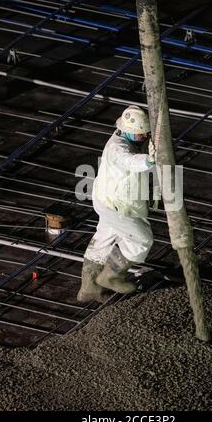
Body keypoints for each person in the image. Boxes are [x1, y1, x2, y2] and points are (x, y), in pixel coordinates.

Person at [77, 105, 156, 303]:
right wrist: (150, 160)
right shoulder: (118, 147)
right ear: (130, 131)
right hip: (117, 204)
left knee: (103, 239)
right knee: (141, 239)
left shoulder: (123, 139)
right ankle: (111, 276)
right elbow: (129, 161)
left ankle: (89, 289)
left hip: (106, 200)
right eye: (142, 134)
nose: (145, 137)